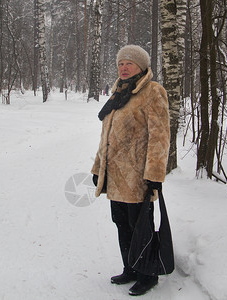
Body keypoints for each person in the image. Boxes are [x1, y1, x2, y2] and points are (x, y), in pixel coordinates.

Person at [91, 45, 170, 296]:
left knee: (141, 226)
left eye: (129, 64)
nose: (124, 68)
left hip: (138, 177)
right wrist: (97, 167)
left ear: (142, 67)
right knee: (121, 224)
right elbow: (107, 137)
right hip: (115, 177)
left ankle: (148, 274)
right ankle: (131, 268)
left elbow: (160, 137)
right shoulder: (118, 93)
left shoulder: (152, 92)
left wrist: (155, 175)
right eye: (120, 64)